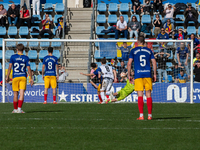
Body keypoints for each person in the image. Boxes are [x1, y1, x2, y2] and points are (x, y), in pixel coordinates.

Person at [127, 36, 157, 120]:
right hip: (148, 74)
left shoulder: (133, 50)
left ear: (137, 42)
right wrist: (154, 74)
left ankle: (141, 115)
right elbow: (154, 63)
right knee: (148, 95)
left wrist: (129, 75)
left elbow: (129, 64)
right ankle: (150, 116)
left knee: (140, 95)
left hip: (138, 75)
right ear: (144, 42)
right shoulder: (149, 50)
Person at [6, 44, 33, 113]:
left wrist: (7, 76)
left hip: (15, 77)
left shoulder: (13, 57)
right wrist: (31, 78)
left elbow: (9, 67)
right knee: (22, 93)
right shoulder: (26, 57)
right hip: (23, 77)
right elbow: (29, 68)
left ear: (17, 49)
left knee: (15, 94)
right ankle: (19, 109)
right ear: (23, 50)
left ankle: (15, 110)